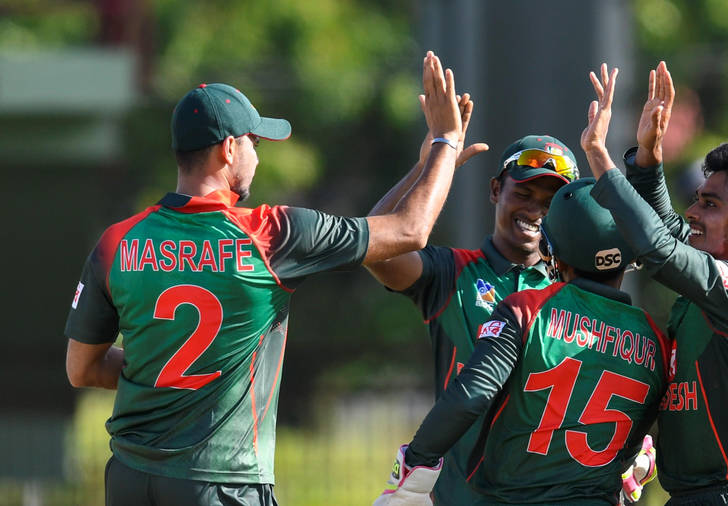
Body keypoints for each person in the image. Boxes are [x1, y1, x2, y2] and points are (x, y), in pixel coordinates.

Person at [63, 51, 464, 506]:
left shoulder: (117, 242)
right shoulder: (271, 234)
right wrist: (445, 142)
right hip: (222, 481)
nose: (256, 154)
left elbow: (82, 368)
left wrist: (158, 375)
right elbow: (410, 231)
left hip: (130, 478)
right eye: (254, 141)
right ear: (229, 149)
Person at [580, 62, 728, 505]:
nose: (693, 212)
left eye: (710, 204)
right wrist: (648, 157)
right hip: (689, 495)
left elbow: (660, 247)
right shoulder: (714, 269)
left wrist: (600, 158)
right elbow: (665, 228)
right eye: (697, 200)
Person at [372, 178, 670, 506]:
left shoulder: (528, 309)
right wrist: (634, 452)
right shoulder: (656, 339)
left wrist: (414, 466)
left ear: (552, 251)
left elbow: (472, 395)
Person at [366, 131, 581, 504]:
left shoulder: (573, 293)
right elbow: (376, 247)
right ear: (496, 189)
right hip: (459, 496)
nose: (535, 211)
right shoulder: (453, 271)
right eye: (524, 194)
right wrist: (426, 168)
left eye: (550, 203)